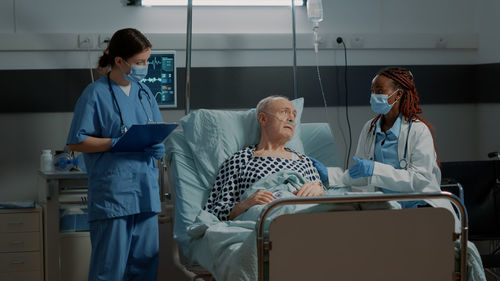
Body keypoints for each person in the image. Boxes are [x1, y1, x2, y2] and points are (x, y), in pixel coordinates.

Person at [66, 28, 164, 281]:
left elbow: (154, 130)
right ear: (119, 61)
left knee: (144, 266)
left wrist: (157, 145)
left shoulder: (145, 94)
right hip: (114, 196)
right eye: (139, 62)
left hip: (145, 192)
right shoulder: (95, 94)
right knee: (109, 270)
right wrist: (114, 143)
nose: (145, 66)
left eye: (147, 61)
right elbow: (77, 142)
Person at [320, 66, 459, 230]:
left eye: (379, 90)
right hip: (386, 209)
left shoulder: (418, 130)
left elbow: (420, 179)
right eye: (372, 91)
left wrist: (375, 169)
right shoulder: (369, 129)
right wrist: (330, 175)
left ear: (398, 94)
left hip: (420, 206)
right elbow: (363, 174)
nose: (374, 96)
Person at [203, 96, 325, 221]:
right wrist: (244, 204)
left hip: (307, 217)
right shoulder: (240, 160)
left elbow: (325, 204)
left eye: (294, 114)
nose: (291, 119)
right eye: (284, 112)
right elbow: (214, 212)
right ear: (263, 119)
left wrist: (319, 192)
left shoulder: (305, 162)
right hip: (267, 220)